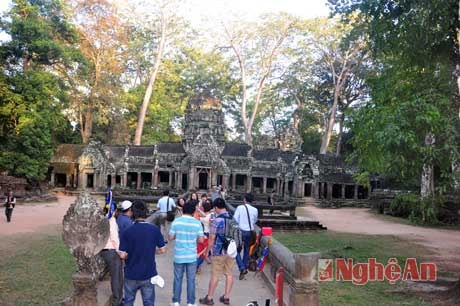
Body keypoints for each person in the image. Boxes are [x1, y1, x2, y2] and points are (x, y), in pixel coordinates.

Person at [119, 200, 166, 306]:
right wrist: (151, 250)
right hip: (148, 273)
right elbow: (163, 250)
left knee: (128, 302)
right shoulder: (154, 229)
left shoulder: (128, 231)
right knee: (148, 302)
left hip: (131, 273)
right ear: (146, 212)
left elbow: (122, 255)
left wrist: (128, 254)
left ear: (132, 212)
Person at [169, 201, 204, 306]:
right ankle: (191, 302)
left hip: (179, 255)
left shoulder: (176, 221)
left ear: (182, 210)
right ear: (193, 212)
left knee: (178, 279)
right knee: (191, 280)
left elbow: (170, 237)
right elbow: (201, 240)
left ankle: (176, 301)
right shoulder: (197, 223)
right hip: (191, 255)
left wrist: (178, 235)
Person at [199, 198, 234, 305]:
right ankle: (226, 297)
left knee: (215, 275)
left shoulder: (217, 221)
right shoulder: (233, 218)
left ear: (216, 208)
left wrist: (206, 252)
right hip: (231, 251)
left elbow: (211, 239)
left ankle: (209, 298)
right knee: (229, 273)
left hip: (219, 251)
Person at [234, 193, 258, 280]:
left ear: (244, 199)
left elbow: (235, 219)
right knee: (247, 251)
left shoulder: (240, 208)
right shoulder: (255, 210)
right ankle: (243, 268)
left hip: (240, 232)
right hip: (249, 232)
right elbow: (255, 220)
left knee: (236, 250)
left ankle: (242, 268)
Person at [100, 212, 123, 306]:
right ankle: (117, 301)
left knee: (111, 274)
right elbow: (114, 238)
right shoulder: (111, 220)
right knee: (116, 277)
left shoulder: (101, 219)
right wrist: (119, 251)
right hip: (111, 250)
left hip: (102, 250)